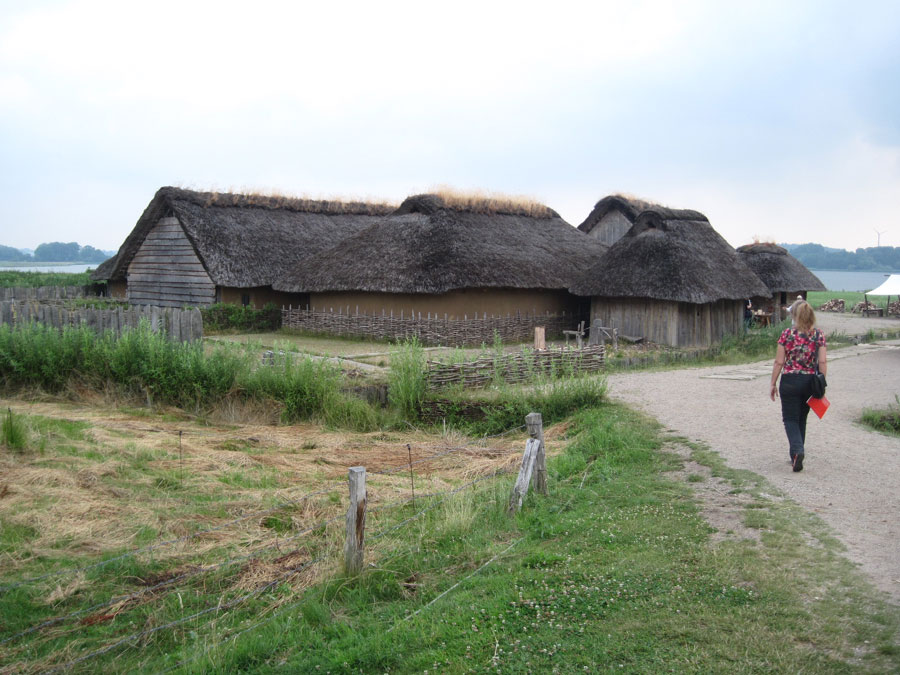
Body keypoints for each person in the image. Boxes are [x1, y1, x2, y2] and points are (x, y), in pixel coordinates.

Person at [769, 300, 827, 472]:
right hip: (809, 382)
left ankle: (797, 451)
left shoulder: (787, 334)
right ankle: (796, 453)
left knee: (790, 419)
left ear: (795, 316)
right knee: (801, 418)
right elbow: (822, 361)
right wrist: (822, 383)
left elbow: (779, 361)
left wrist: (773, 383)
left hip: (789, 380)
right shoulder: (819, 335)